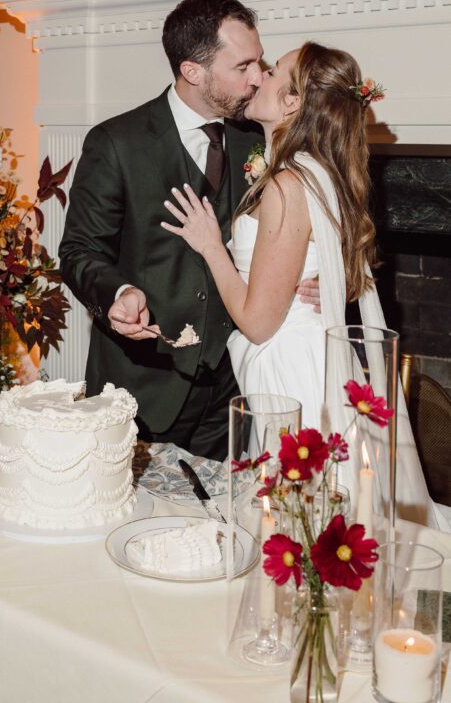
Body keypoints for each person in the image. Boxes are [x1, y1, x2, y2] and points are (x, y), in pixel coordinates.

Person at [162, 41, 440, 527]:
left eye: (270, 73)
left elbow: (257, 322)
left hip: (290, 368)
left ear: (292, 103)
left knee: (297, 519)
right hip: (311, 354)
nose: (257, 78)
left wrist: (211, 246)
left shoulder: (290, 183)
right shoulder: (317, 169)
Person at [59, 0, 318, 461]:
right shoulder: (116, 143)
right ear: (193, 71)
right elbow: (80, 250)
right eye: (243, 66)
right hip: (145, 384)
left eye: (260, 62)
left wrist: (327, 279)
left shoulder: (260, 135)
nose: (258, 78)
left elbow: (298, 230)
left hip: (235, 386)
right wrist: (118, 294)